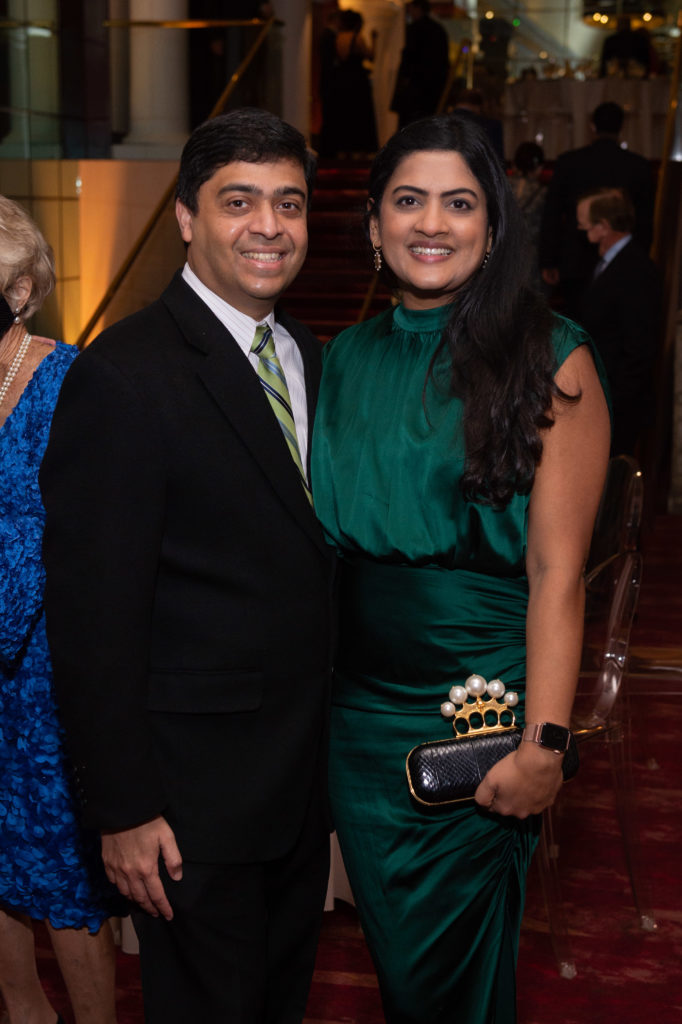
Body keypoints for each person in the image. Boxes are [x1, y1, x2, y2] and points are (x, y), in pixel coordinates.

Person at [311, 114, 610, 1024]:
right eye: (408, 201)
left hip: (476, 719)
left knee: (449, 988)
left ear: (491, 227)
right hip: (355, 724)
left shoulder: (552, 356)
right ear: (373, 226)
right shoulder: (343, 360)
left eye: (458, 202)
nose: (431, 223)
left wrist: (546, 747)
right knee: (403, 980)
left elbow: (560, 575)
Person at [40, 109, 336, 1024]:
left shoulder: (312, 358)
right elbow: (92, 618)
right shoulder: (123, 375)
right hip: (188, 805)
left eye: (288, 203)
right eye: (237, 201)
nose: (268, 226)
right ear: (185, 217)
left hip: (297, 782)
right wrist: (123, 809)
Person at [0, 196, 122, 1024]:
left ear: (19, 289)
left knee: (65, 871)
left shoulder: (68, 378)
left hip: (47, 670)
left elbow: (85, 535)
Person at [538, 100, 655, 316]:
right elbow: (645, 220)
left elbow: (552, 213)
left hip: (574, 261)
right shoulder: (638, 166)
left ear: (592, 126)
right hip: (623, 263)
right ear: (621, 127)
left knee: (577, 326)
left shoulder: (569, 162)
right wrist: (639, 260)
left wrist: (548, 260)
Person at [575, 187, 662, 456]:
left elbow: (638, 349)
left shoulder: (635, 270)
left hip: (617, 404)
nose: (580, 228)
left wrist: (613, 404)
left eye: (585, 222)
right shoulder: (607, 262)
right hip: (598, 394)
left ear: (603, 227)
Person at [319, 8, 378, 158]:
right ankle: (358, 149)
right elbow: (370, 56)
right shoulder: (357, 38)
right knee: (359, 115)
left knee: (345, 115)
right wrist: (375, 39)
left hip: (341, 82)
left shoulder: (338, 38)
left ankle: (343, 149)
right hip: (357, 82)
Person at [391, 0, 449, 129]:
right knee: (426, 126)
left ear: (417, 7)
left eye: (410, 8)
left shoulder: (415, 29)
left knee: (410, 127)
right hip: (432, 88)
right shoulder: (438, 29)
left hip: (415, 88)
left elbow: (408, 59)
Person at [509, 140, 547, 292]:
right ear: (539, 167)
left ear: (514, 164)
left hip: (502, 251)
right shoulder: (543, 192)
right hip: (531, 256)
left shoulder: (501, 186)